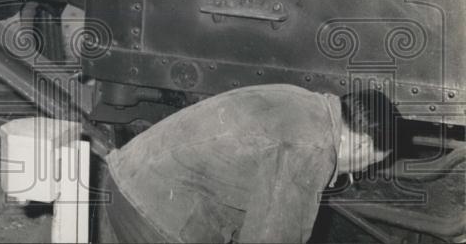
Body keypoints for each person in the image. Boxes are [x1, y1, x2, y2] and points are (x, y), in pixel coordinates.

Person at [104, 85, 400, 243]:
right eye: (367, 164)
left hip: (133, 180)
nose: (357, 174)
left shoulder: (309, 104)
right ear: (361, 143)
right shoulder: (315, 146)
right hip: (157, 217)